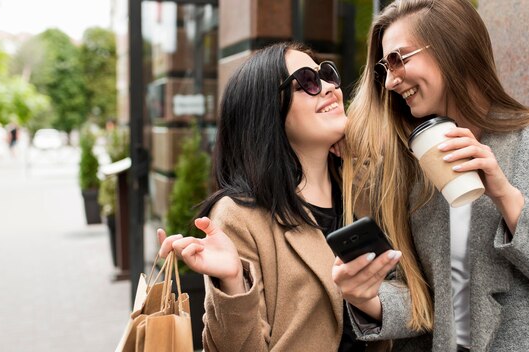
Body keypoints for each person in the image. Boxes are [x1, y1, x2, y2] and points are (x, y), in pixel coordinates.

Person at [334, 0, 529, 351]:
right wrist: (365, 298)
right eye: (384, 68)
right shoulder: (413, 168)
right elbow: (429, 302)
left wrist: (506, 196)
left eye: (398, 59)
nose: (389, 81)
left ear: (452, 49)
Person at [157, 42, 398, 351]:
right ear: (267, 111)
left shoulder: (363, 188)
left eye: (327, 74)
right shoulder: (238, 216)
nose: (328, 88)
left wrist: (367, 150)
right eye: (307, 81)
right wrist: (233, 282)